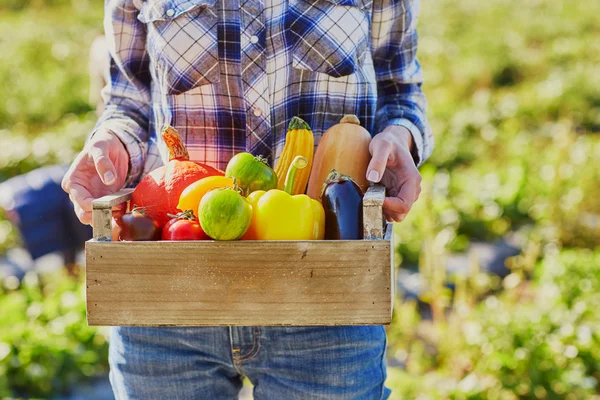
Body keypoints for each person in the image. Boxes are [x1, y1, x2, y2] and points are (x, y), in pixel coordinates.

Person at [63, 0, 433, 398]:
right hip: (170, 294)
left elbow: (400, 90)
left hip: (325, 293)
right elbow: (129, 100)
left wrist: (400, 137)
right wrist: (112, 139)